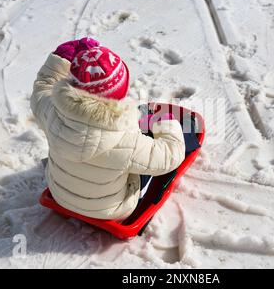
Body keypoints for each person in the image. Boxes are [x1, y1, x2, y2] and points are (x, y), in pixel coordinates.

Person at [30, 37, 185, 220]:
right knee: (145, 161)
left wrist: (60, 58)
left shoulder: (50, 109)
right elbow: (169, 156)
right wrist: (165, 123)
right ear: (118, 92)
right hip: (111, 210)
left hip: (59, 195)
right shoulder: (126, 139)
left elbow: (43, 86)